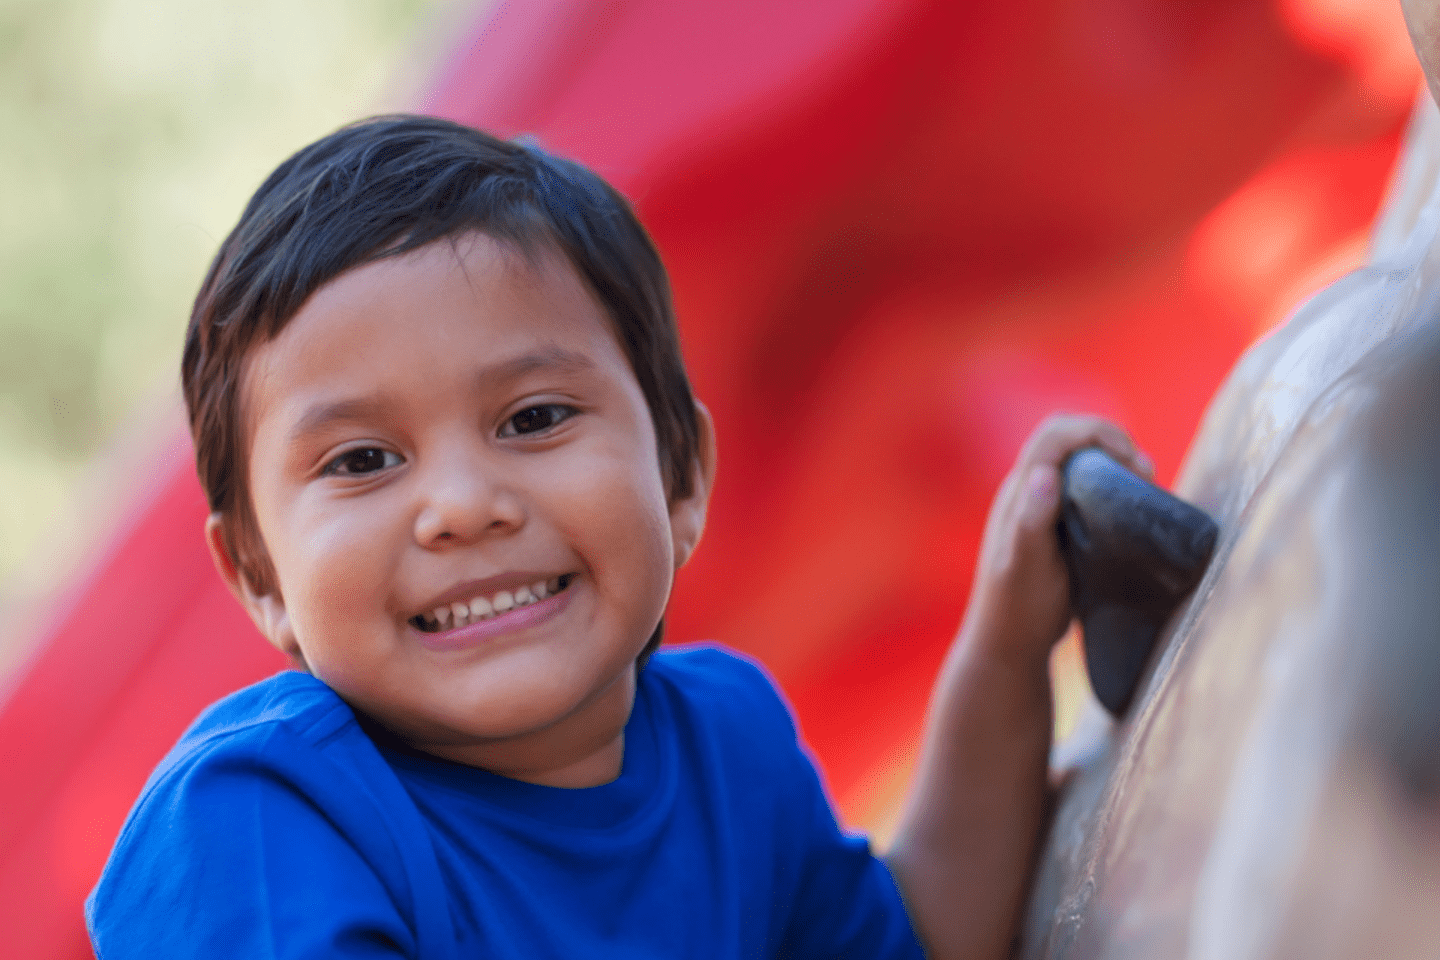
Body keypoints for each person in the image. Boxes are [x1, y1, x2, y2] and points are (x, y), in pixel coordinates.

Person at [86, 115, 1151, 960]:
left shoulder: (727, 746)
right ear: (260, 576)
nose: (462, 505)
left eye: (535, 418)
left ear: (682, 475)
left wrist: (1009, 646)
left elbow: (924, 935)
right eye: (362, 460)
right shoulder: (260, 820)